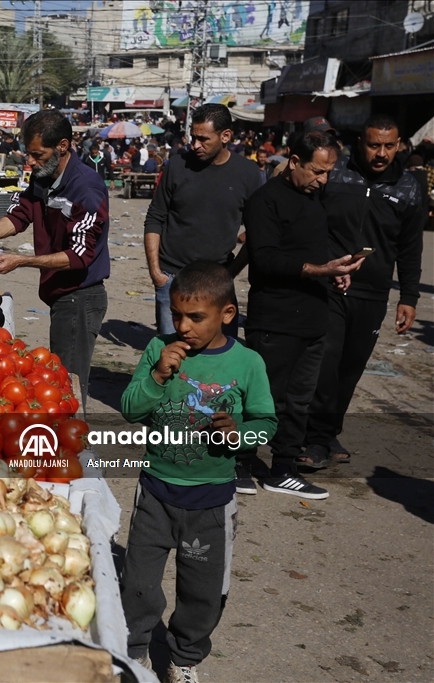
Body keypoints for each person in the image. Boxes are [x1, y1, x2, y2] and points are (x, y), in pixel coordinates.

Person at [120, 262, 276, 683]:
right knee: (138, 582)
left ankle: (185, 658)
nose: (183, 326)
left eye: (196, 317)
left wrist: (238, 435)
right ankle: (134, 652)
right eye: (177, 315)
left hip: (210, 501)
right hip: (155, 491)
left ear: (227, 313)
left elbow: (266, 422)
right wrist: (156, 375)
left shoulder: (248, 363)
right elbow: (131, 408)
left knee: (202, 591)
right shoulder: (158, 349)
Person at [243, 132, 364, 500]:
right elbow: (264, 259)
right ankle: (235, 463)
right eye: (316, 171)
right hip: (275, 320)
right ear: (294, 161)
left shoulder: (315, 198)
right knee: (261, 400)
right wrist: (319, 269)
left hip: (313, 318)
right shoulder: (265, 201)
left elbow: (315, 245)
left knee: (298, 402)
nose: (322, 180)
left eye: (328, 172)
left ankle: (283, 468)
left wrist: (337, 269)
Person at [300, 114, 425, 469]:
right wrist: (323, 264)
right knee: (326, 361)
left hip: (373, 294)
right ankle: (315, 439)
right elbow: (311, 221)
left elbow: (410, 247)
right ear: (360, 143)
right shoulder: (336, 174)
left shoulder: (409, 187)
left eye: (389, 145)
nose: (382, 153)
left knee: (350, 369)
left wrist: (409, 298)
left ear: (399, 144)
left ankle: (328, 432)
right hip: (330, 285)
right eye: (374, 145)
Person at [0, 110, 110, 406]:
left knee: (66, 386)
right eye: (28, 154)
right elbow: (19, 217)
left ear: (62, 146)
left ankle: (75, 448)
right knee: (57, 379)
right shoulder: (43, 178)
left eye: (37, 154)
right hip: (59, 296)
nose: (30, 162)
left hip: (80, 297)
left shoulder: (86, 188)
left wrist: (21, 261)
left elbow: (80, 256)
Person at [143, 104, 262, 337]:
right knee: (174, 353)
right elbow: (155, 217)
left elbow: (257, 232)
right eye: (193, 138)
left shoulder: (247, 174)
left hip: (217, 281)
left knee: (221, 356)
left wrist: (230, 273)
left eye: (203, 139)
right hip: (172, 279)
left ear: (225, 136)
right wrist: (156, 272)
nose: (195, 145)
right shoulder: (177, 166)